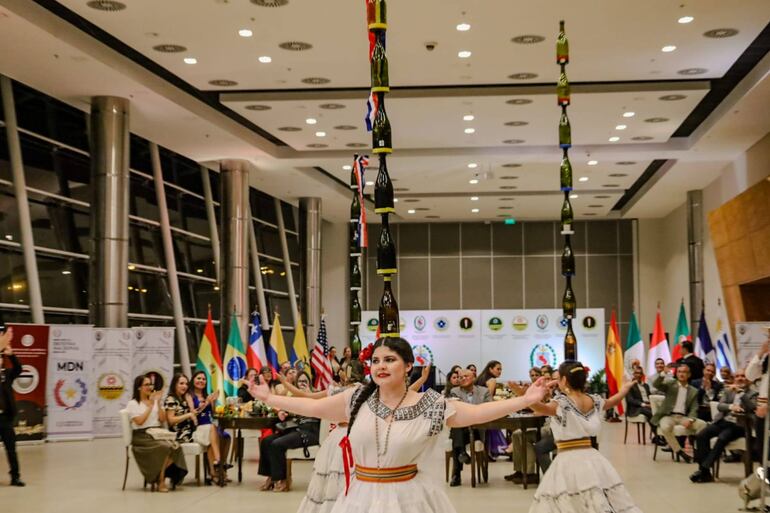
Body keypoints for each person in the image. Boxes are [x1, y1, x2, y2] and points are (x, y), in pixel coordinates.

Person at [248, 337, 549, 513]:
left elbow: (480, 412)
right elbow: (311, 406)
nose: (380, 366)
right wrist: (269, 397)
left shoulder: (430, 405)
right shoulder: (356, 398)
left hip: (409, 498)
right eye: (376, 360)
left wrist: (526, 399)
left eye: (389, 360)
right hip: (359, 499)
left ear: (408, 367)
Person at [528, 361, 641, 513]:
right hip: (592, 457)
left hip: (567, 459)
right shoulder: (593, 400)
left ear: (564, 381)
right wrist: (624, 389)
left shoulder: (561, 402)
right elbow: (612, 401)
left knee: (570, 500)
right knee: (594, 499)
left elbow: (539, 408)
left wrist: (528, 395)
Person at [690, 368, 756, 483]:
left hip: (740, 425)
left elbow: (752, 407)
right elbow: (720, 406)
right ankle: (705, 472)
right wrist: (731, 407)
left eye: (743, 376)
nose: (740, 378)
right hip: (724, 421)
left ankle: (704, 469)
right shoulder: (729, 391)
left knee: (723, 437)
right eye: (738, 376)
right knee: (701, 435)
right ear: (734, 378)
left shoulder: (753, 393)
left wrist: (740, 393)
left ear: (748, 379)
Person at [125, 374, 187, 491]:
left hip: (157, 432)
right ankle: (161, 481)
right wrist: (150, 406)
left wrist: (157, 403)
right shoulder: (133, 404)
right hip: (141, 436)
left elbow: (162, 419)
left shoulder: (154, 401)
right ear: (139, 387)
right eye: (146, 385)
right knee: (164, 447)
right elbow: (139, 421)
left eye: (150, 384)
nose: (150, 387)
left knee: (176, 447)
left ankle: (158, 475)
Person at [651, 364, 707, 463]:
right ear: (676, 374)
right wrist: (663, 373)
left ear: (689, 375)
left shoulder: (693, 391)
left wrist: (690, 419)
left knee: (703, 425)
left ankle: (699, 451)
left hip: (683, 417)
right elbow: (656, 384)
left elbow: (694, 408)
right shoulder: (670, 384)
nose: (681, 374)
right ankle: (680, 452)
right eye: (679, 372)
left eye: (684, 372)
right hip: (668, 416)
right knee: (665, 427)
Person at [448, 368, 491, 486]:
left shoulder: (484, 391)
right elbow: (456, 409)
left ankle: (458, 466)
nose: (463, 379)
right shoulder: (455, 391)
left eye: (466, 376)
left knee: (457, 431)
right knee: (458, 428)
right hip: (463, 429)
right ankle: (458, 466)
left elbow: (489, 409)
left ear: (473, 377)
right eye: (460, 377)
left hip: (478, 428)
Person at [190, 370, 228, 485]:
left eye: (203, 379)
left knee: (226, 436)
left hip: (210, 427)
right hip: (198, 428)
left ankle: (215, 472)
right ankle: (219, 465)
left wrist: (213, 402)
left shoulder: (207, 395)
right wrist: (207, 402)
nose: (201, 381)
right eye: (199, 378)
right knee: (212, 430)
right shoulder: (189, 395)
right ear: (193, 380)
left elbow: (212, 413)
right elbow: (194, 413)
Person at [0, 328, 24, 486]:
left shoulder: (6, 374)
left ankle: (15, 476)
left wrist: (12, 355)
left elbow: (19, 370)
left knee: (11, 449)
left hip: (5, 418)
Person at [476, 360, 507, 459]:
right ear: (490, 369)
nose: (500, 371)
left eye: (501, 369)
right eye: (498, 369)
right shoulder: (492, 380)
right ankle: (495, 451)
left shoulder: (480, 379)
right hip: (486, 410)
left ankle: (489, 452)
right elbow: (487, 398)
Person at [164, 374, 195, 444]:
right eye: (181, 383)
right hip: (180, 435)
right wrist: (188, 415)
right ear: (174, 384)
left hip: (190, 431)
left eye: (186, 384)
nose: (185, 386)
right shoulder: (171, 400)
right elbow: (170, 420)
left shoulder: (183, 398)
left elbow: (193, 415)